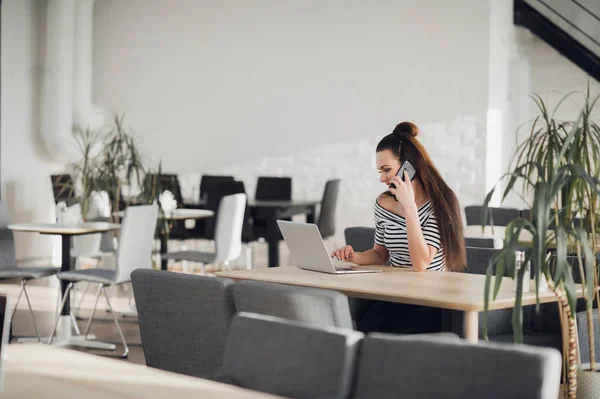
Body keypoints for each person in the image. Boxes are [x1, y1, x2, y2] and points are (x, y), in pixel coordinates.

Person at [332, 121, 466, 333]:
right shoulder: (383, 203)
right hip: (394, 292)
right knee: (357, 321)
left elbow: (421, 263)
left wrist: (410, 207)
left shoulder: (441, 203)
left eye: (387, 170)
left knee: (376, 328)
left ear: (408, 166)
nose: (382, 178)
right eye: (380, 171)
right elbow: (379, 254)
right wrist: (353, 257)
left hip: (430, 299)